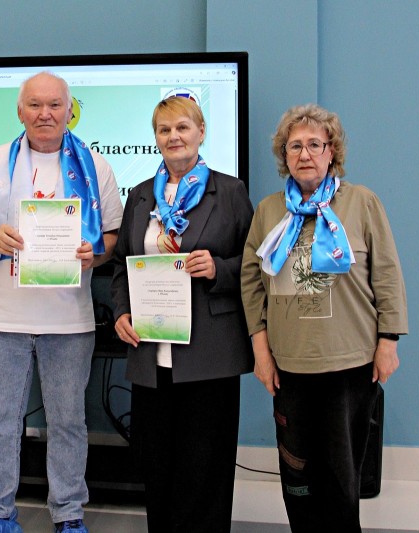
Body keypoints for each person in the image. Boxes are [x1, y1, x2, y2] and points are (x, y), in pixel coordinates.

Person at [0, 71, 123, 533]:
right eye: (35, 105)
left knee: (69, 423)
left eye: (54, 105)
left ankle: (68, 515)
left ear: (69, 110)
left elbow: (112, 236)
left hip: (69, 320)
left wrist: (96, 253)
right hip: (2, 319)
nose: (45, 113)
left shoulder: (95, 166)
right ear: (20, 111)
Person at [241, 104, 408, 532]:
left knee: (340, 478)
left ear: (331, 151)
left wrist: (388, 341)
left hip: (349, 363)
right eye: (294, 146)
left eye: (314, 144)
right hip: (289, 366)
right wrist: (261, 351)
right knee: (297, 479)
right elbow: (251, 282)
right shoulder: (268, 211)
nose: (305, 154)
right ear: (284, 154)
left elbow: (387, 273)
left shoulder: (361, 202)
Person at [110, 96, 254, 532]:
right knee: (157, 463)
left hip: (209, 354)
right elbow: (121, 266)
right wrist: (121, 312)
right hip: (151, 352)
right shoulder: (139, 196)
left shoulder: (230, 192)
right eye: (164, 130)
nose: (174, 136)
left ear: (201, 132)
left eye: (182, 127)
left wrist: (219, 269)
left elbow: (255, 266)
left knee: (204, 467)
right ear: (155, 138)